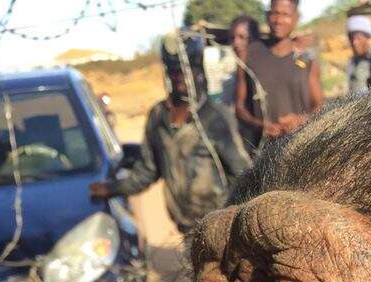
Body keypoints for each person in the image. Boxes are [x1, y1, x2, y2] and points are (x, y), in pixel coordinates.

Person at [89, 33, 250, 235]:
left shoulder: (215, 116)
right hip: (185, 228)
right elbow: (147, 171)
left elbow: (242, 173)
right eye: (174, 71)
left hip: (220, 227)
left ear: (199, 72)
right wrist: (112, 189)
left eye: (186, 70)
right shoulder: (158, 116)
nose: (180, 77)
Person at [236, 0, 323, 142]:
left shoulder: (307, 59)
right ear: (267, 15)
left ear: (296, 18)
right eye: (274, 13)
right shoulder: (248, 55)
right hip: (262, 150)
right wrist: (262, 126)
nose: (279, 21)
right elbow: (239, 108)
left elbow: (319, 105)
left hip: (301, 146)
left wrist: (300, 120)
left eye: (285, 14)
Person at [221, 15, 262, 155]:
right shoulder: (229, 80)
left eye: (242, 37)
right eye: (232, 38)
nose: (236, 43)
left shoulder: (265, 75)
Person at [345, 14, 371, 94]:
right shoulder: (351, 62)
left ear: (367, 38)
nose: (354, 43)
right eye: (351, 38)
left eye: (358, 38)